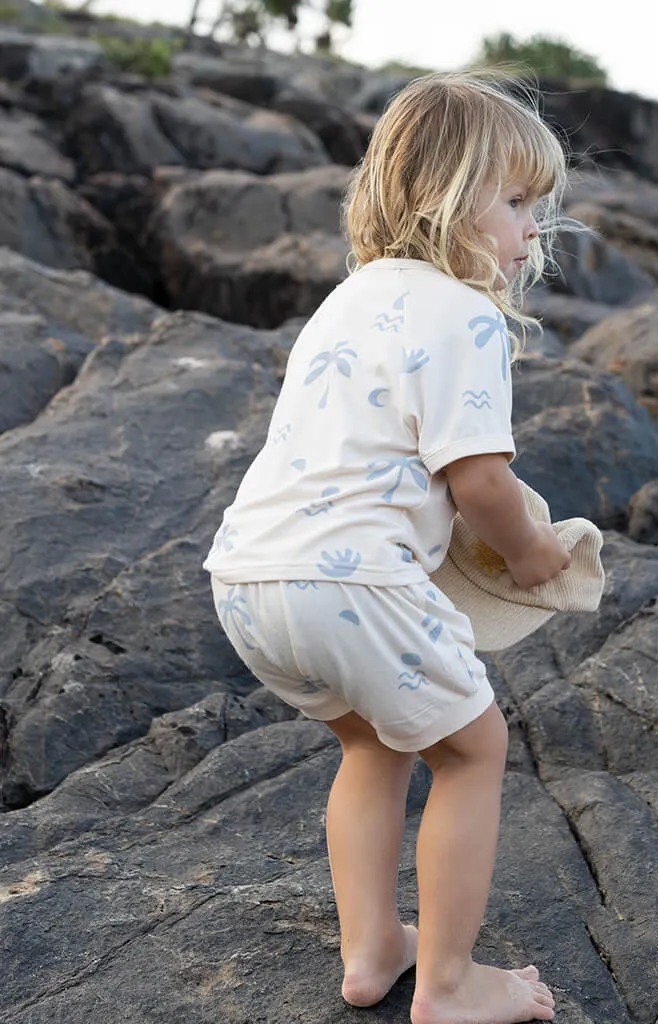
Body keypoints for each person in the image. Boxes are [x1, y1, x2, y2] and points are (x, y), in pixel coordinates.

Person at [203, 70, 573, 1024]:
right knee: (475, 752)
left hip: (249, 576)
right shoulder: (466, 314)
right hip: (354, 584)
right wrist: (530, 554)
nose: (534, 228)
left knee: (372, 746)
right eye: (519, 201)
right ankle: (448, 987)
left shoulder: (351, 298)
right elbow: (479, 482)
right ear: (450, 200)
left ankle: (372, 949)